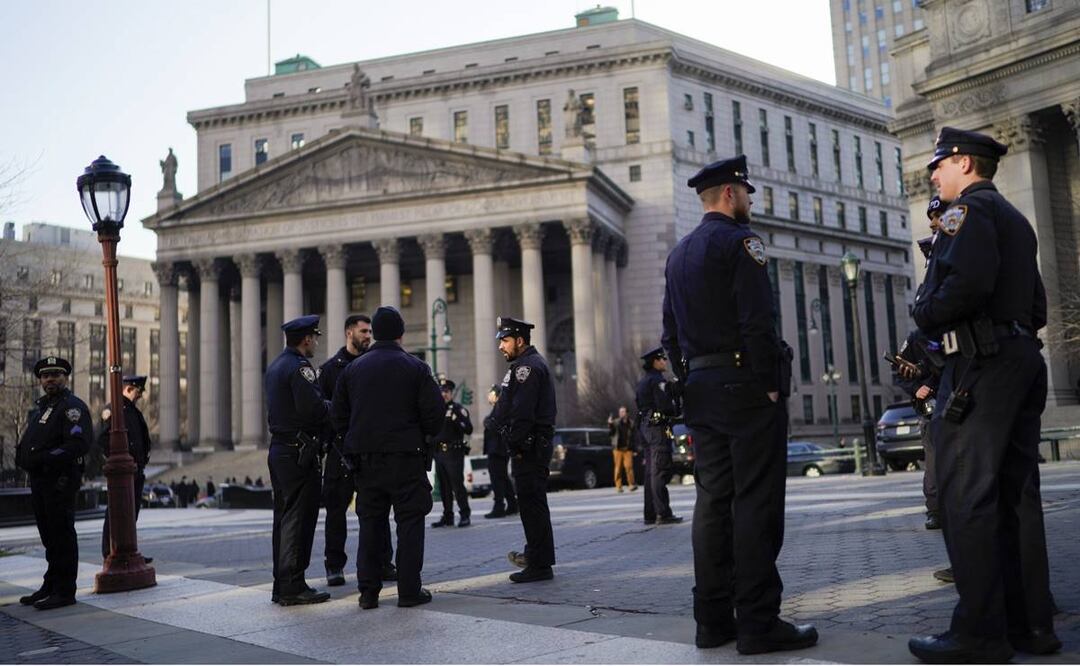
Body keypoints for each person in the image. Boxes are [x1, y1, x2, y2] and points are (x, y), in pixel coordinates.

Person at [908, 127, 1059, 661]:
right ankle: (1031, 626)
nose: (933, 174)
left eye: (940, 165)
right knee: (1016, 498)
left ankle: (978, 633)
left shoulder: (965, 214)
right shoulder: (1016, 220)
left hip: (978, 364)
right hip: (1019, 359)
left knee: (965, 497)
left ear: (966, 165)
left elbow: (961, 285)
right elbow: (1037, 306)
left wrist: (922, 312)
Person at [662, 155, 816, 654]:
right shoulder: (742, 243)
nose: (749, 201)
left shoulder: (679, 254)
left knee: (712, 504)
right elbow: (758, 321)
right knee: (756, 503)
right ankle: (757, 623)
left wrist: (688, 378)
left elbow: (669, 335)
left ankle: (712, 621)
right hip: (745, 388)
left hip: (701, 389)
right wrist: (769, 383)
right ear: (730, 193)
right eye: (746, 192)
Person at [330, 306, 444, 609]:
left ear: (375, 334)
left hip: (366, 461)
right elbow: (435, 414)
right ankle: (408, 591)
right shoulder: (416, 367)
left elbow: (338, 417)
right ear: (400, 335)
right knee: (409, 524)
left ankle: (368, 592)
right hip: (407, 458)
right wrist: (424, 438)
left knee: (370, 525)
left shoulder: (352, 371)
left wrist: (351, 448)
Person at [319, 314, 396, 587]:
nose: (368, 336)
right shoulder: (329, 370)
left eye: (370, 331)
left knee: (377, 510)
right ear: (348, 332)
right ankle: (334, 566)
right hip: (340, 451)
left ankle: (384, 562)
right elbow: (322, 411)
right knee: (336, 511)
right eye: (363, 331)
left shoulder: (372, 364)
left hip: (369, 449)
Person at [264, 315, 332, 606]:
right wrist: (336, 407)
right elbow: (313, 410)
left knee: (283, 518)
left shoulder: (276, 365)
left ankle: (282, 584)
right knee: (298, 519)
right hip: (298, 453)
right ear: (306, 339)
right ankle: (293, 585)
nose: (316, 342)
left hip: (281, 450)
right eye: (315, 337)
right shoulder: (300, 368)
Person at [15, 357, 92, 610]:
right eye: (46, 375)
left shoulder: (72, 407)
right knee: (49, 536)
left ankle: (65, 590)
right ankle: (51, 584)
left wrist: (46, 459)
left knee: (62, 535)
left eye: (56, 374)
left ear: (66, 377)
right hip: (40, 480)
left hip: (59, 479)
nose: (50, 379)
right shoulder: (43, 409)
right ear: (40, 380)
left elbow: (77, 444)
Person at [491, 317, 557, 583]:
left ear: (520, 340)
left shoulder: (527, 368)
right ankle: (536, 556)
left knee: (532, 505)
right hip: (528, 446)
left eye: (505, 340)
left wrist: (514, 443)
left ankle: (539, 565)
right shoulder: (525, 364)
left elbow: (522, 413)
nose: (501, 347)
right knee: (531, 504)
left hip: (528, 448)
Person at [99, 375, 153, 564]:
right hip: (123, 472)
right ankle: (110, 551)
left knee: (132, 512)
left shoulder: (132, 411)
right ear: (129, 389)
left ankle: (129, 549)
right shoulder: (114, 409)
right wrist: (117, 460)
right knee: (116, 511)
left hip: (135, 470)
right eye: (138, 392)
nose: (140, 396)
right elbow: (103, 438)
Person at [636, 349, 681, 525]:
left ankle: (651, 513)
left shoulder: (643, 381)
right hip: (656, 427)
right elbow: (665, 405)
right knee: (659, 469)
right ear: (655, 362)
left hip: (645, 426)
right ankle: (663, 513)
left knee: (651, 471)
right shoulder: (657, 380)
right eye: (662, 359)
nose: (665, 361)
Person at [431, 378, 474, 528]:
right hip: (439, 453)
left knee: (457, 485)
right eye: (441, 392)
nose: (444, 395)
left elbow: (468, 428)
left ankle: (464, 514)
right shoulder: (436, 410)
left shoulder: (457, 409)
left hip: (453, 453)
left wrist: (456, 419)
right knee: (444, 487)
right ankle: (447, 515)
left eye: (447, 392)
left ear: (451, 393)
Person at [483, 385, 517, 519]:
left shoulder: (501, 407)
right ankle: (512, 504)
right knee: (502, 476)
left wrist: (487, 421)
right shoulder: (499, 407)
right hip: (497, 448)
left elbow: (494, 424)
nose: (488, 396)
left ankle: (499, 506)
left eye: (490, 393)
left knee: (497, 478)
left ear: (497, 395)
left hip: (498, 448)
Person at [607, 406, 636, 493]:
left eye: (623, 412)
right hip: (618, 448)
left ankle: (631, 485)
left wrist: (635, 449)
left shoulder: (631, 423)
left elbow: (634, 437)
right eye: (620, 412)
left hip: (628, 448)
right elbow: (610, 433)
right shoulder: (615, 422)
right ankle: (618, 486)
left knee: (629, 467)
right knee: (618, 467)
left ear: (627, 413)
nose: (621, 413)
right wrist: (610, 424)